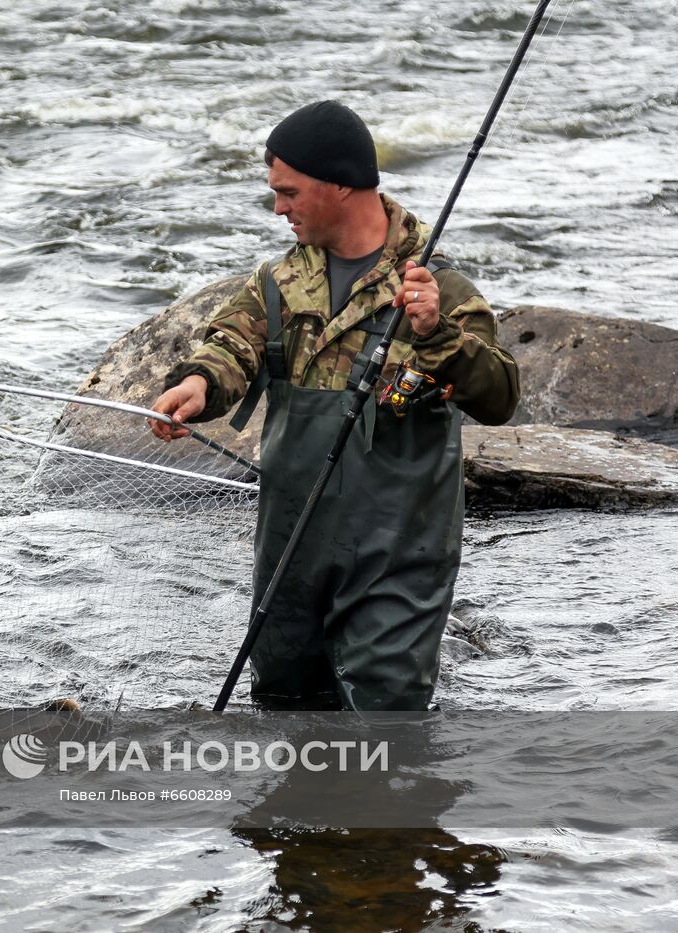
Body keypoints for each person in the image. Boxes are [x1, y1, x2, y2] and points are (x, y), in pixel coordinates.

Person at [150, 100, 520, 712]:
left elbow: (502, 397)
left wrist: (437, 337)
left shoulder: (438, 287)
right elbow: (232, 346)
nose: (279, 208)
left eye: (288, 191)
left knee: (385, 715)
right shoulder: (275, 283)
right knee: (284, 707)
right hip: (292, 544)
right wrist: (198, 385)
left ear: (341, 184)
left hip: (399, 552)